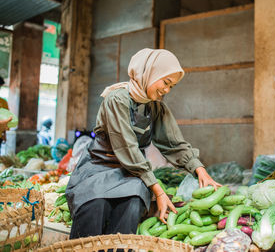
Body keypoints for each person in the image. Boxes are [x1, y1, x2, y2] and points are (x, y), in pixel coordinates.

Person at [66, 48, 221, 239]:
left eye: (171, 86)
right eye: (165, 82)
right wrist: (158, 191)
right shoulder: (117, 99)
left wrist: (199, 170)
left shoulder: (156, 108)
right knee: (95, 204)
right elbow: (127, 147)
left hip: (129, 174)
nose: (166, 90)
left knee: (133, 203)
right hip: (99, 169)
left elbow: (174, 143)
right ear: (148, 73)